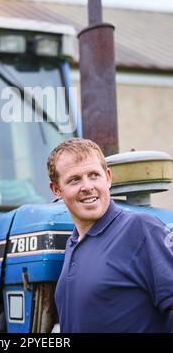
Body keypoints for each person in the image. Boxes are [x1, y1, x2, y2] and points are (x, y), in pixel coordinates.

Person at [47, 137, 173, 333]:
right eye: (74, 179)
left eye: (94, 175)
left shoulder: (140, 229)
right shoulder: (73, 244)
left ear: (108, 177)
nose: (87, 186)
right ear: (56, 190)